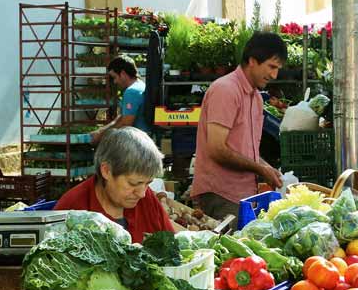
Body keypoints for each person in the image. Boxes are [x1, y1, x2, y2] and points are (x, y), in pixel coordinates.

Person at [191, 32, 287, 219]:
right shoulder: (226, 90)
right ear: (252, 60)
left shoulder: (256, 98)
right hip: (221, 195)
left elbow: (245, 150)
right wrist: (260, 169)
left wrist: (267, 168)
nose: (274, 75)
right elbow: (217, 149)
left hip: (244, 196)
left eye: (278, 68)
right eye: (271, 66)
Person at [55, 127, 174, 242]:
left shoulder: (147, 200)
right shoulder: (72, 209)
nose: (142, 193)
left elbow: (171, 247)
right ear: (106, 171)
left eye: (148, 183)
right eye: (133, 183)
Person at [92, 56, 149, 141]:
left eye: (115, 77)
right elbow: (121, 117)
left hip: (138, 143)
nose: (115, 82)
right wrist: (101, 131)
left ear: (122, 74)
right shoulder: (141, 85)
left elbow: (125, 124)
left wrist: (101, 136)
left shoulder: (131, 92)